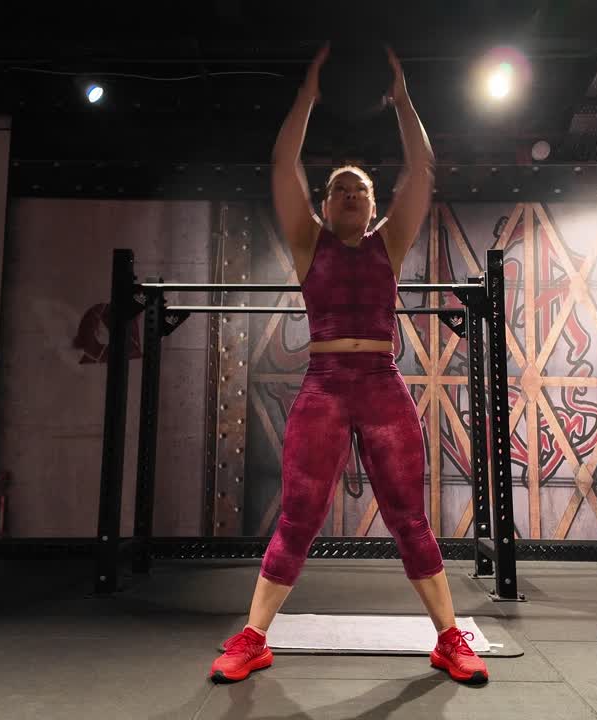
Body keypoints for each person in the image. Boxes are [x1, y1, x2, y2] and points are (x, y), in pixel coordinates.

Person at [209, 44, 488, 686]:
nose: (349, 195)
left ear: (372, 203)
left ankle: (449, 639)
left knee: (409, 518)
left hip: (382, 387)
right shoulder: (308, 245)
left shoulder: (390, 241)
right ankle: (253, 638)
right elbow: (283, 162)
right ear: (325, 205)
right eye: (337, 190)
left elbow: (421, 167)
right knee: (299, 515)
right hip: (326, 387)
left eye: (359, 189)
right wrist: (306, 95)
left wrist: (403, 97)